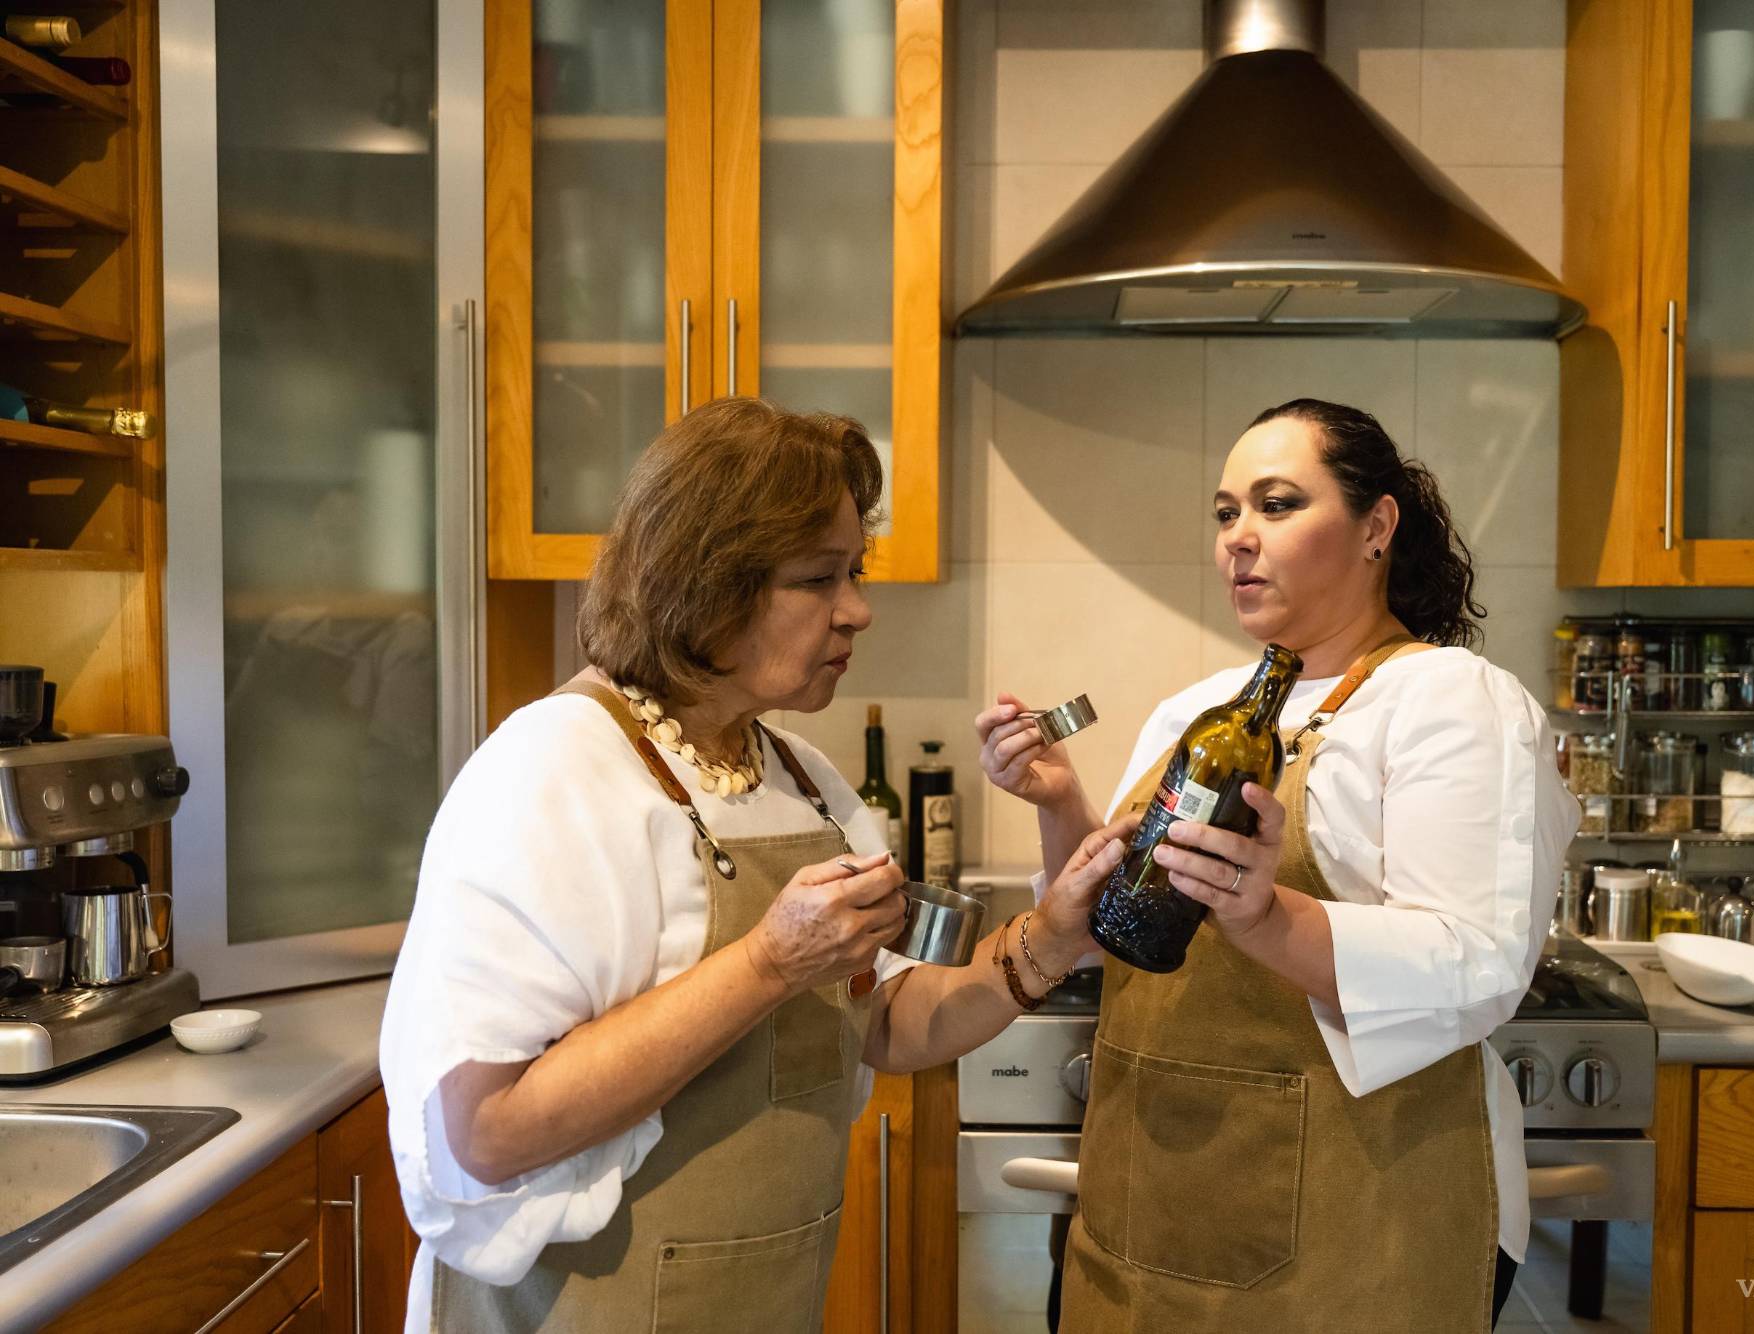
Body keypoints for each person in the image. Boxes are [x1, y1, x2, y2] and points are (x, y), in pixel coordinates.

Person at [382, 398, 1133, 1332]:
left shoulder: (801, 779)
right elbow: (485, 1132)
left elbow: (888, 1022)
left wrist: (1050, 939)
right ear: (706, 584)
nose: (857, 611)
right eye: (819, 578)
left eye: (854, 572)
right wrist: (769, 962)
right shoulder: (551, 771)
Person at [977, 399, 1581, 1330]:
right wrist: (1063, 806)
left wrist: (1267, 919)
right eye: (1226, 513)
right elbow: (1114, 939)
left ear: (1377, 526)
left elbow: (1479, 962)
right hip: (1147, 1200)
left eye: (1277, 504)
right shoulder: (1199, 710)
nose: (1238, 541)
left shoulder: (1451, 700)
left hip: (1355, 1223)